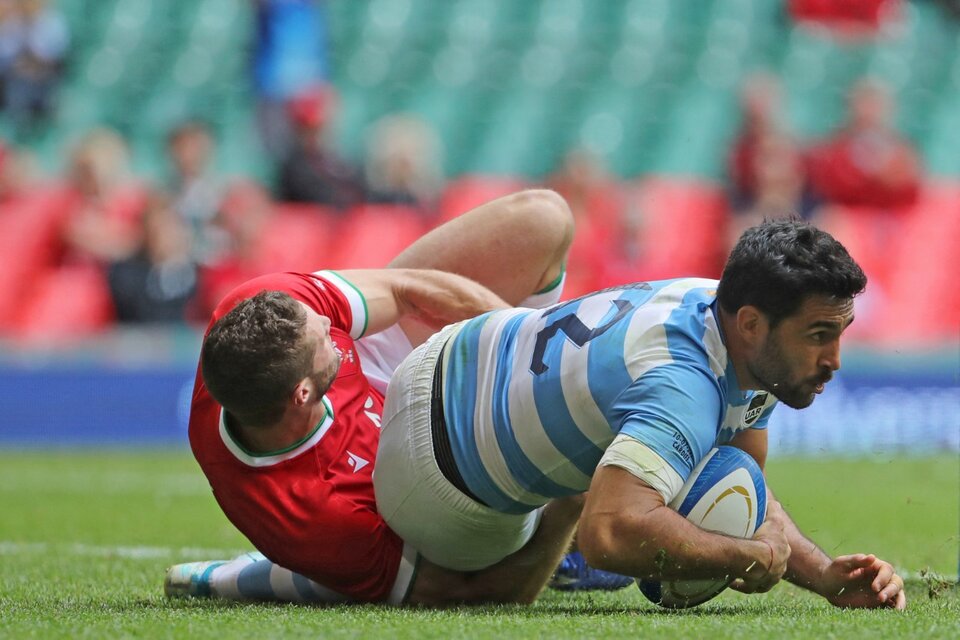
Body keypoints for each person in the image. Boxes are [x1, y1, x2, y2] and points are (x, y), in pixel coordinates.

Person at [371, 218, 906, 609]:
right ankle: (563, 526)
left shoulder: (718, 308)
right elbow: (611, 534)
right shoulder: (683, 386)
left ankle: (589, 500)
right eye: (819, 336)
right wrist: (734, 555)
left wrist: (827, 578)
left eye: (838, 334)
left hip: (446, 353)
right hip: (430, 480)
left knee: (654, 458)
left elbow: (740, 484)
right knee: (605, 505)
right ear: (751, 325)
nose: (834, 359)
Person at [167, 190, 585, 605]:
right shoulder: (315, 512)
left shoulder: (257, 311)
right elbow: (457, 591)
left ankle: (251, 576)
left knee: (542, 218)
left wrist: (537, 352)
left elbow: (405, 288)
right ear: (303, 393)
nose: (332, 325)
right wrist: (567, 509)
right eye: (322, 339)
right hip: (415, 478)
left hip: (382, 364)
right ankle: (258, 577)